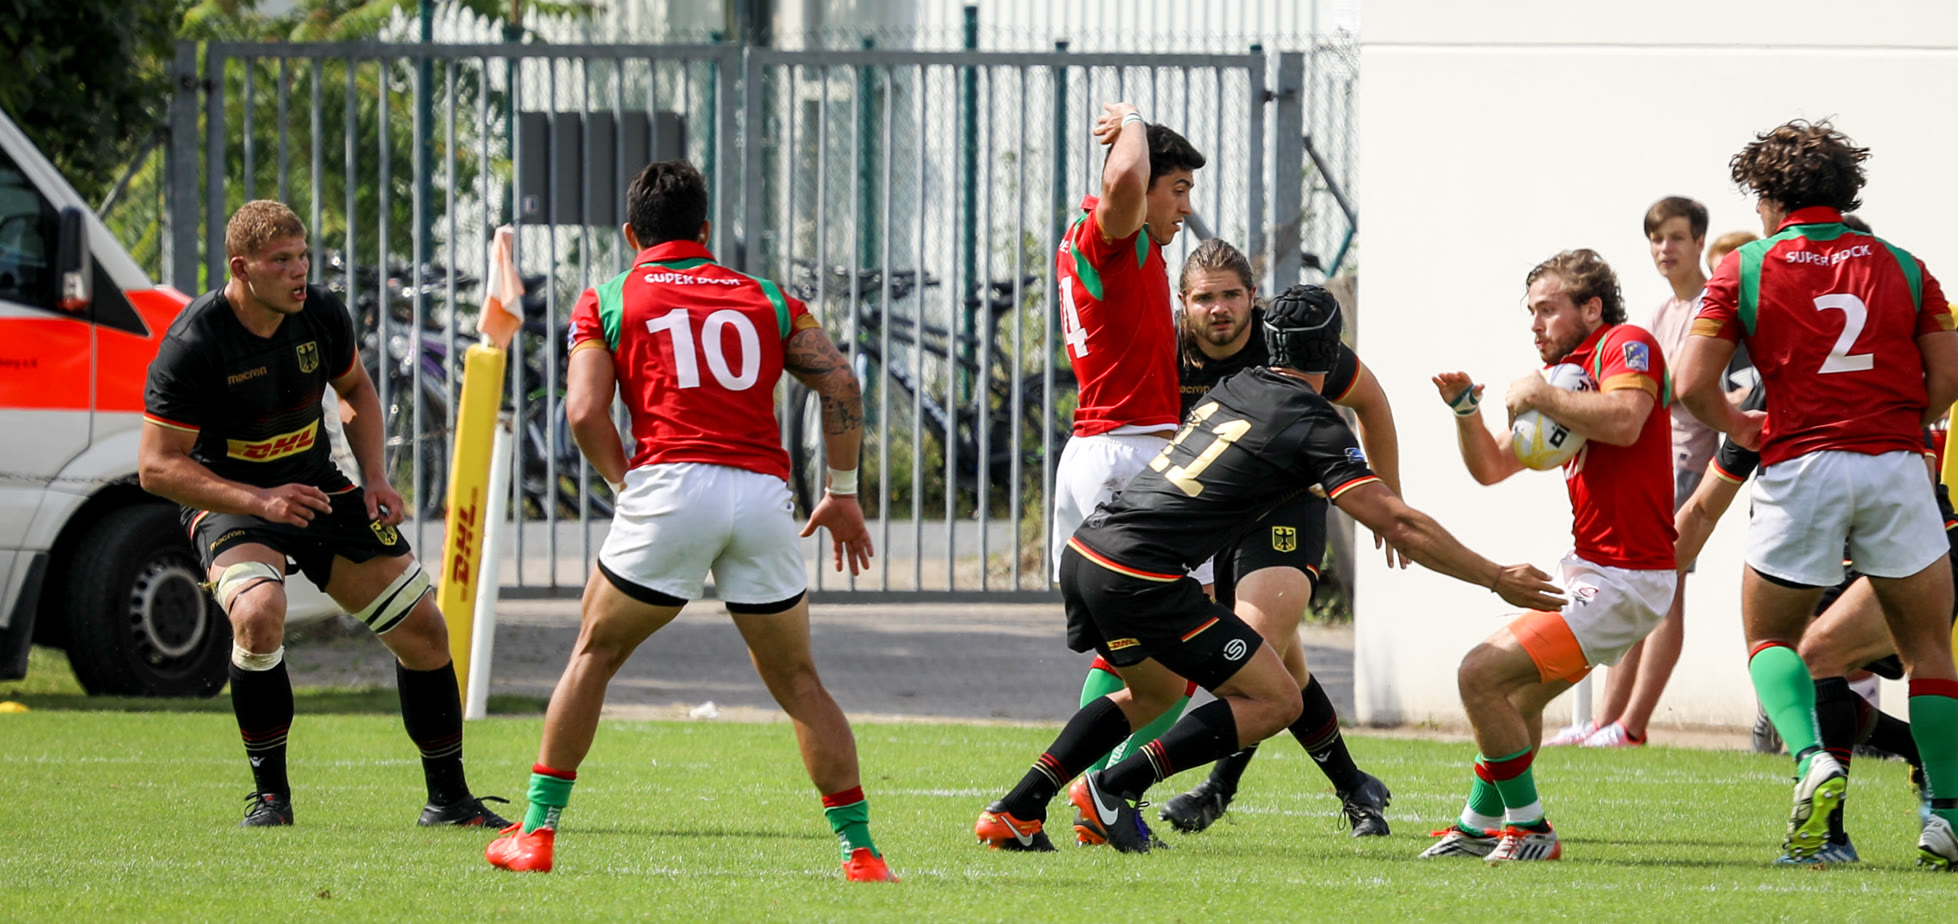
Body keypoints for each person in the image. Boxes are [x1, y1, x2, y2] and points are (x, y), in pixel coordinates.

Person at [975, 286, 1563, 854]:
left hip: (1090, 552)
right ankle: (1114, 787)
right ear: (1332, 351)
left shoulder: (1235, 386)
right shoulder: (1314, 424)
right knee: (1277, 698)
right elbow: (1399, 523)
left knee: (1154, 691)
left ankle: (1017, 809)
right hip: (1143, 575)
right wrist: (1495, 576)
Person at [483, 161, 893, 883]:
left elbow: (584, 412)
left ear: (630, 233)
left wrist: (626, 483)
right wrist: (843, 492)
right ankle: (860, 853)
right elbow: (842, 382)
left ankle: (536, 833)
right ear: (705, 229)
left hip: (671, 487)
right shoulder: (769, 298)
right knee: (799, 680)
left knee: (593, 654)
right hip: (762, 496)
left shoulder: (609, 297)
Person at [139, 200, 508, 830]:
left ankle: (449, 802)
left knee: (423, 627)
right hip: (232, 502)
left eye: (303, 256)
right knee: (258, 615)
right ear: (241, 268)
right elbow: (156, 467)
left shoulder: (321, 313)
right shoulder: (193, 343)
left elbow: (356, 388)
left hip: (315, 489)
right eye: (281, 260)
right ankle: (271, 801)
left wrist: (375, 478)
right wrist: (258, 501)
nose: (299, 271)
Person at [1676, 119, 1958, 869]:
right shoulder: (1903, 264)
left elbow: (1691, 383)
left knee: (1771, 639)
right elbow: (1952, 378)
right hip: (1895, 465)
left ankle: (1812, 760)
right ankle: (1942, 816)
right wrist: (1899, 417)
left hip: (1800, 463)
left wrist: (1741, 424)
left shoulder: (1744, 266)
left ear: (1772, 198)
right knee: (1929, 650)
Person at [1133, 239, 1401, 839]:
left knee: (1254, 653)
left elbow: (1372, 401)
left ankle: (1209, 788)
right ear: (1183, 303)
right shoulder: (1163, 349)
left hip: (1284, 510)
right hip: (1209, 518)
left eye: (1232, 295)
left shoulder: (1287, 342)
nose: (1220, 309)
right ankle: (1354, 786)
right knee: (1281, 666)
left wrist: (1388, 502)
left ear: (1253, 297)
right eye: (1206, 298)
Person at [1422, 248, 1677, 863]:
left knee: (1479, 673)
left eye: (1547, 309)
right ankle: (1478, 824)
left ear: (1591, 308)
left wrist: (1538, 392)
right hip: (1595, 569)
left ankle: (1531, 828)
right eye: (1531, 312)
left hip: (1627, 577)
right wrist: (1466, 412)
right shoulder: (1566, 377)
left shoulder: (1626, 343)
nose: (1536, 325)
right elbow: (1491, 466)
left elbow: (1626, 421)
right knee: (1515, 699)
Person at [1675, 385, 1958, 863]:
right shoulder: (1769, 396)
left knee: (1814, 657)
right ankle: (1919, 762)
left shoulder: (1877, 375)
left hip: (1919, 552)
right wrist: (1644, 580)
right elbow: (1702, 508)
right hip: (1840, 566)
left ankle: (1831, 839)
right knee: (1798, 682)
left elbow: (1921, 481)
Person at [1052, 101, 1208, 833]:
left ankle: (1095, 795)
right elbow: (1121, 182)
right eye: (1177, 188)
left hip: (1110, 448)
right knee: (1189, 654)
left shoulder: (1116, 241)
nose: (1185, 207)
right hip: (1128, 455)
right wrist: (1134, 123)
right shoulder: (1111, 231)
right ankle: (1103, 788)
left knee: (1131, 657)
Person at [1548, 198, 1720, 749]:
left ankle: (1632, 725)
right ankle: (1604, 722)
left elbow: (1710, 386)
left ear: (1699, 242)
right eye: (1656, 238)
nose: (1664, 248)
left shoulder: (1714, 307)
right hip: (1653, 468)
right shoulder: (1663, 312)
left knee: (1665, 594)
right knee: (1629, 590)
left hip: (1687, 466)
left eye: (1676, 237)